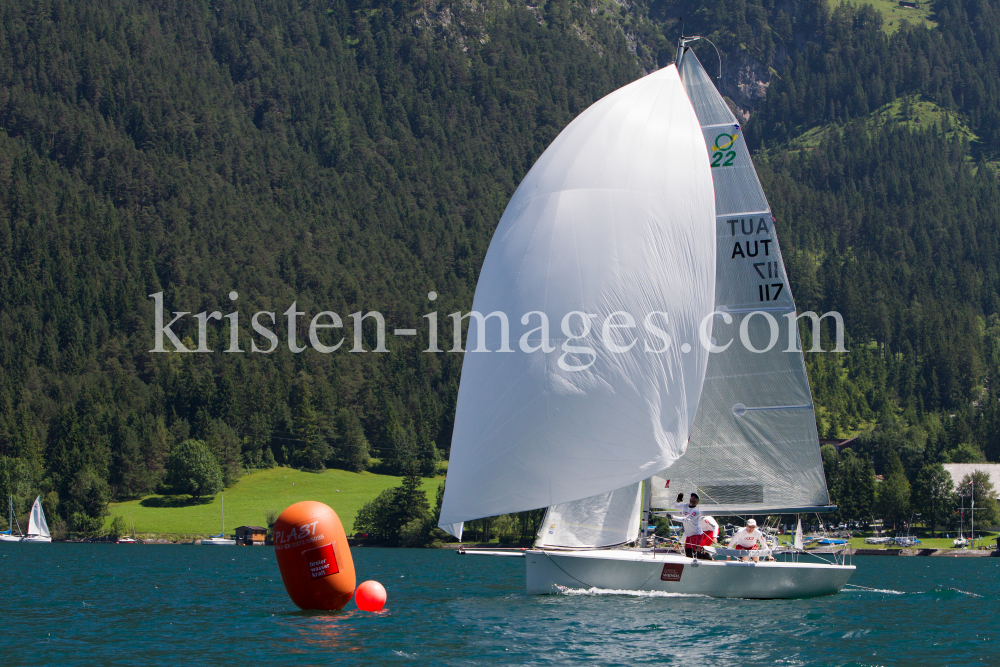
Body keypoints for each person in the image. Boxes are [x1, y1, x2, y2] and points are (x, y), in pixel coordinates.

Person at [673, 492, 711, 559]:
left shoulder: (696, 511)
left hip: (697, 534)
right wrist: (677, 501)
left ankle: (707, 557)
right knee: (687, 554)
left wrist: (672, 517)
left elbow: (686, 519)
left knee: (691, 553)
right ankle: (704, 556)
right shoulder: (684, 506)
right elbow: (672, 506)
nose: (693, 497)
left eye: (695, 497)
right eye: (692, 496)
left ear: (697, 502)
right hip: (689, 534)